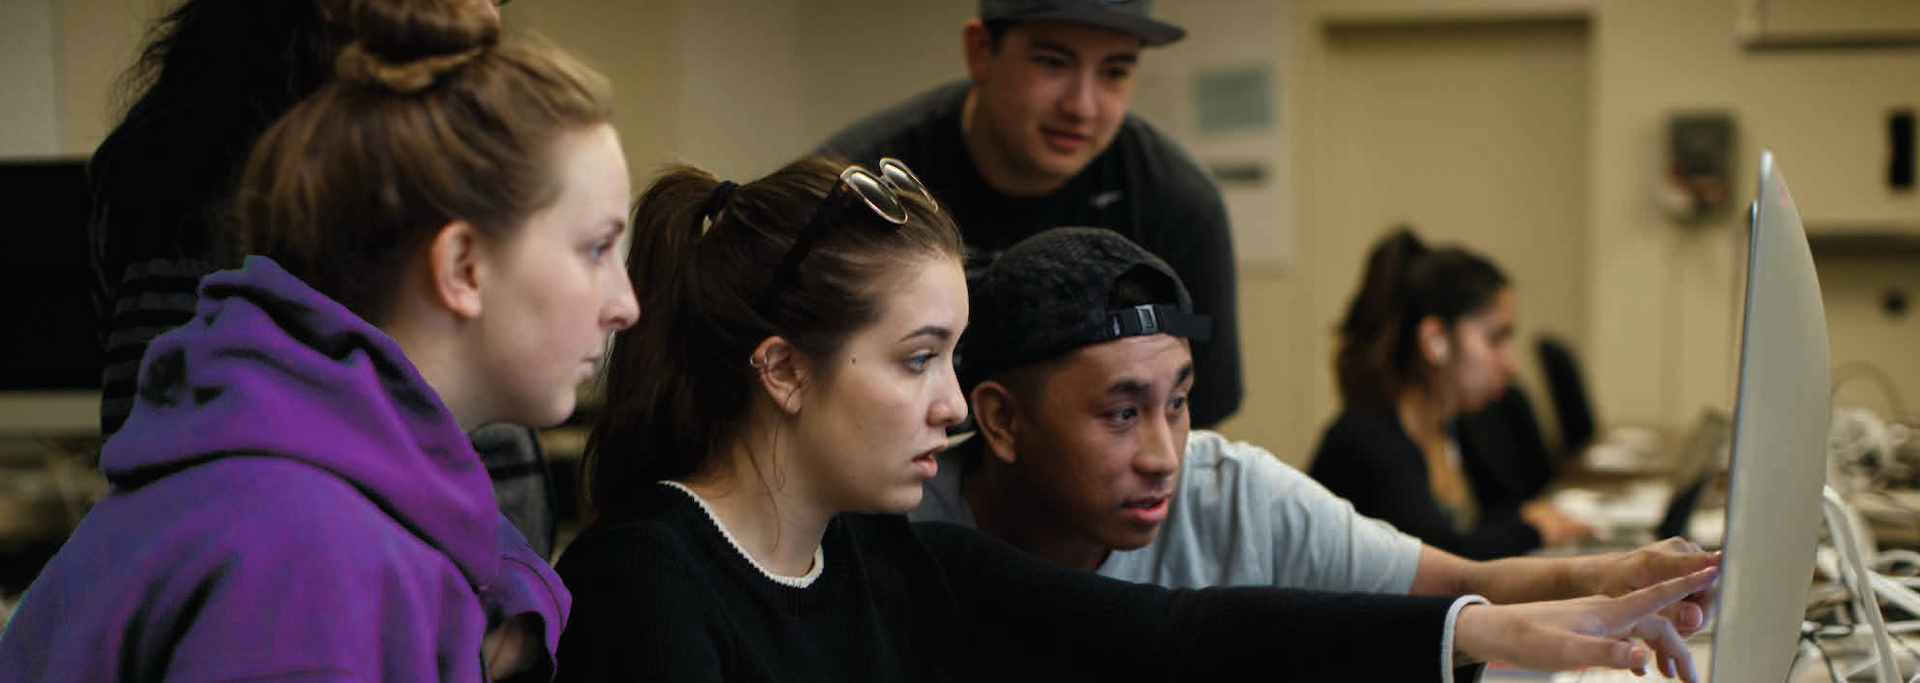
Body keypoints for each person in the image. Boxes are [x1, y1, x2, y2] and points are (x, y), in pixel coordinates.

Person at [553, 157, 1718, 682]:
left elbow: (1180, 634)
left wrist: (1477, 630)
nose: (952, 403)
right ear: (784, 370)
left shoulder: (880, 551)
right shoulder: (646, 578)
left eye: (954, 356)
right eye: (918, 359)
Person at [0, 1, 632, 680]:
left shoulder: (358, 481)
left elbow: (483, 546)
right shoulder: (306, 557)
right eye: (596, 248)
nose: (625, 305)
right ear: (463, 269)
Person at [913, 225, 1713, 681]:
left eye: (1180, 401)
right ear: (1002, 421)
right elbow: (1184, 634)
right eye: (1122, 412)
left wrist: (1603, 574)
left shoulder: (1231, 488)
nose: (1164, 454)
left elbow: (1456, 580)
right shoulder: (902, 535)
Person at [817, 0, 1243, 429]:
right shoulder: (861, 188)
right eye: (1052, 63)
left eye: (1114, 71)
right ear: (981, 51)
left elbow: (1194, 424)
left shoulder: (1177, 206)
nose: (1082, 106)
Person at [1310, 227, 1594, 560]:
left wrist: (1524, 520)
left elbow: (1487, 521)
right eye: (1495, 339)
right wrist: (1531, 529)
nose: (1511, 364)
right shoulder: (1367, 443)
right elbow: (1438, 561)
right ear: (1435, 341)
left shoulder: (1453, 425)